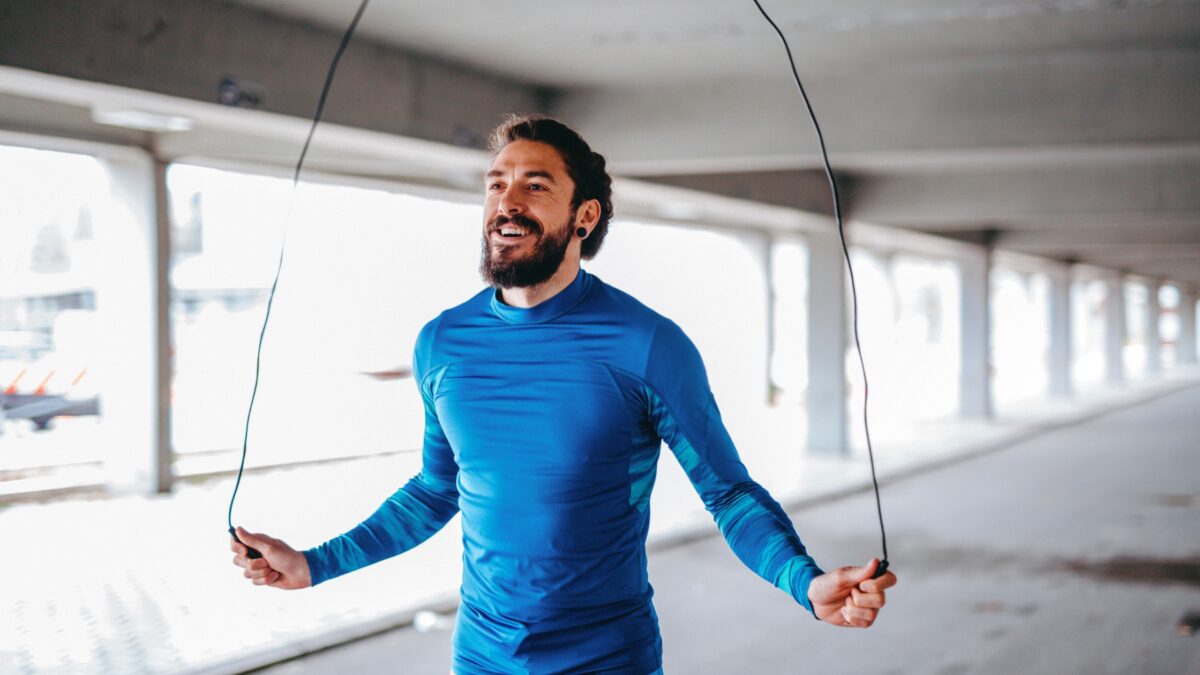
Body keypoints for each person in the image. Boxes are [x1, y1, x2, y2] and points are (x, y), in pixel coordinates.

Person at [231, 114, 898, 673]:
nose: (505, 201)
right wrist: (313, 565)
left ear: (584, 216)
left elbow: (727, 492)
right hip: (483, 657)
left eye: (534, 184)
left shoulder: (647, 344)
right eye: (496, 184)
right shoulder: (443, 342)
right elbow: (438, 489)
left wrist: (803, 581)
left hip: (606, 658)